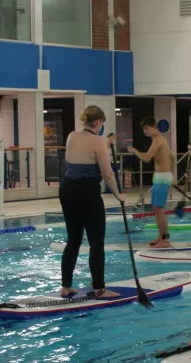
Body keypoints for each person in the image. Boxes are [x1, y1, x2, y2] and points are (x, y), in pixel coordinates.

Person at [59, 105, 124, 299]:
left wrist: (105, 142)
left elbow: (75, 157)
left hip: (67, 188)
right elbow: (108, 174)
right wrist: (118, 195)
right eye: (102, 122)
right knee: (96, 242)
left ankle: (66, 286)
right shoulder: (97, 141)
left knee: (73, 240)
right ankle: (99, 288)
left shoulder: (72, 135)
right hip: (87, 191)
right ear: (97, 122)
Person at [128, 117, 177, 248]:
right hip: (161, 176)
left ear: (154, 127)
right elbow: (173, 157)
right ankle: (160, 236)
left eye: (147, 128)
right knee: (156, 208)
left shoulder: (158, 140)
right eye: (144, 129)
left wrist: (135, 151)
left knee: (159, 209)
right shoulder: (162, 140)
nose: (145, 132)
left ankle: (165, 240)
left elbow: (146, 158)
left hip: (162, 177)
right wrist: (172, 175)